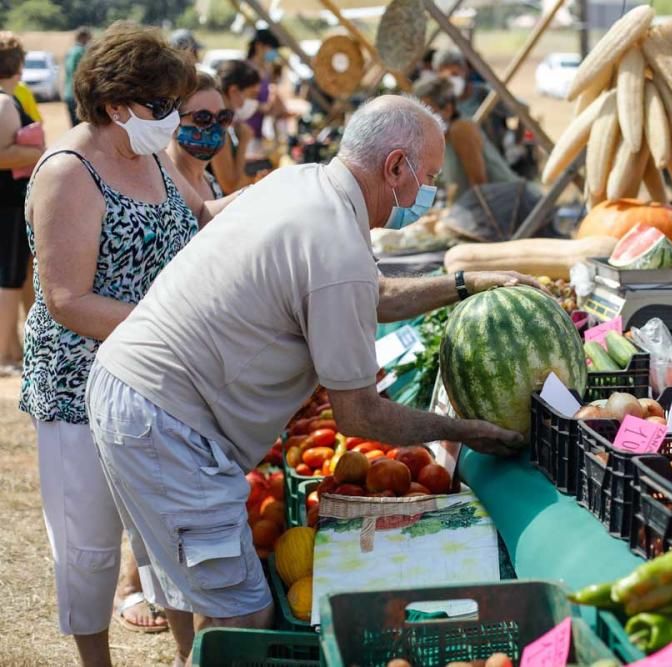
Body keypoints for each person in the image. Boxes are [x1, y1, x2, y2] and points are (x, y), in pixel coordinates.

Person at [86, 95, 532, 635]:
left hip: (133, 393)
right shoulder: (336, 243)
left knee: (189, 592)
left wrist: (465, 282)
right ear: (395, 167)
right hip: (167, 422)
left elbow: (374, 291)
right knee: (244, 615)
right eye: (430, 177)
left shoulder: (300, 182)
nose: (431, 194)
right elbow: (360, 417)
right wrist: (464, 432)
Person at [21, 22, 242, 667]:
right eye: (162, 106)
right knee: (89, 546)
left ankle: (185, 655)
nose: (173, 118)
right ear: (118, 104)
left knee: (166, 539)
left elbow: (199, 217)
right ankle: (96, 659)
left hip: (154, 383)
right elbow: (66, 299)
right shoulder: (69, 171)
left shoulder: (148, 156)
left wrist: (276, 203)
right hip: (79, 390)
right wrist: (169, 329)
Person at [0, 32, 43, 376]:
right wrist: (42, 152)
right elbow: (4, 155)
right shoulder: (4, 103)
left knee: (17, 276)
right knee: (10, 278)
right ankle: (6, 355)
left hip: (12, 204)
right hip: (9, 204)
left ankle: (15, 349)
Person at [413, 75, 519, 201]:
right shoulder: (442, 140)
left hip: (510, 205)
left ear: (448, 109)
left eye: (427, 111)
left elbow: (479, 186)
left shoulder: (461, 130)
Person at [167, 72, 231, 200]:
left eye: (223, 117)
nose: (215, 126)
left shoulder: (209, 180)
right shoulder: (160, 183)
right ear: (172, 120)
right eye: (202, 118)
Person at [211, 59, 261, 194]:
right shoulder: (217, 126)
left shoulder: (223, 122)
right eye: (252, 95)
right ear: (234, 91)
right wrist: (244, 142)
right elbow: (229, 185)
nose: (254, 102)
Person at [243, 28, 287, 177]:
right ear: (259, 46)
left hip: (258, 134)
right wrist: (263, 107)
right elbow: (243, 102)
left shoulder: (266, 71)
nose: (272, 53)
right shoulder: (247, 69)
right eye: (271, 48)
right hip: (245, 134)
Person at [64, 27, 91, 127]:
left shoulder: (70, 51)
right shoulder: (81, 52)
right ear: (84, 37)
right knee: (82, 127)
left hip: (68, 93)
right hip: (78, 95)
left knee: (73, 127)